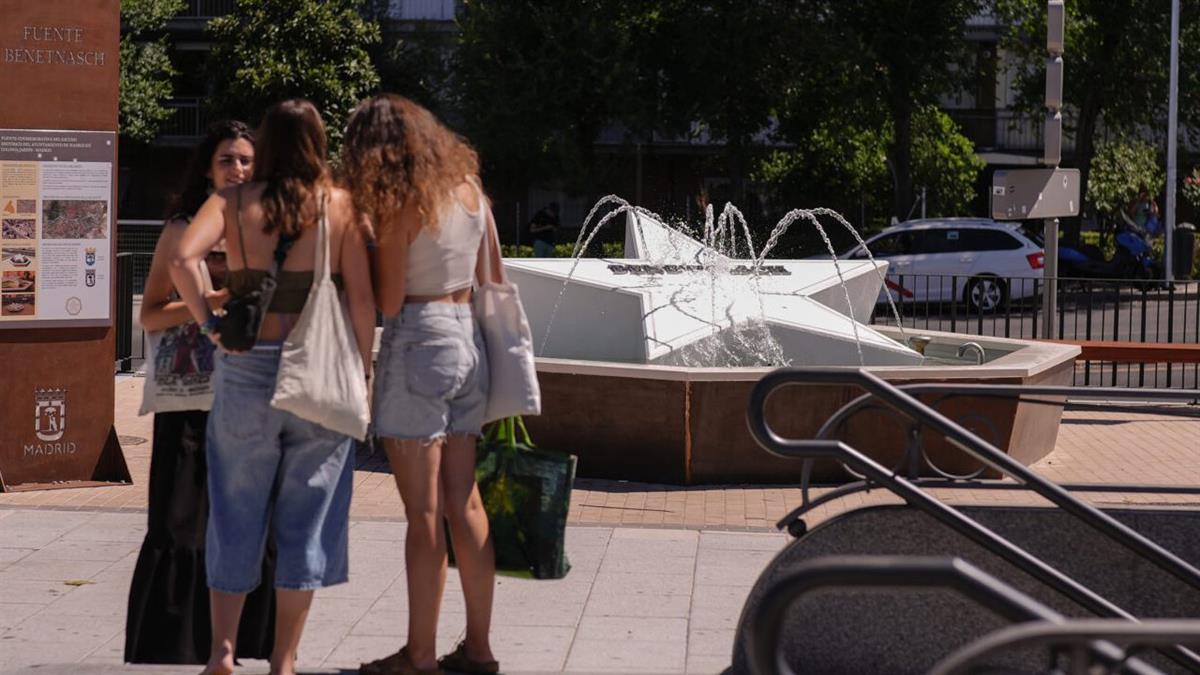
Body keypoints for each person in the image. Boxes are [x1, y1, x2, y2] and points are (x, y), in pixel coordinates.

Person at [169, 99, 375, 675]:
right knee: (308, 517)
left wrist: (210, 325)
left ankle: (223, 652)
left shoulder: (233, 202)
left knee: (235, 510)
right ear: (318, 144)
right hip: (319, 373)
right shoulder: (339, 206)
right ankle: (283, 660)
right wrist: (363, 372)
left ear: (265, 143)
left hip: (246, 367)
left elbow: (183, 258)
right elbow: (362, 299)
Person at [341, 94, 500, 675]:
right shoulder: (470, 190)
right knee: (466, 501)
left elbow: (387, 301)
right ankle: (479, 649)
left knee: (424, 513)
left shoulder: (403, 204)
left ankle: (419, 655)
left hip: (419, 341)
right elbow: (491, 276)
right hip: (469, 342)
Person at [125, 120, 276, 665]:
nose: (237, 169)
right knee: (180, 520)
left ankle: (247, 640)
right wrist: (209, 302)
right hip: (187, 395)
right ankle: (175, 642)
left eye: (245, 160)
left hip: (251, 391)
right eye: (226, 160)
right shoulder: (181, 230)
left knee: (250, 521)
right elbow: (148, 315)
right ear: (208, 169)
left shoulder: (269, 227)